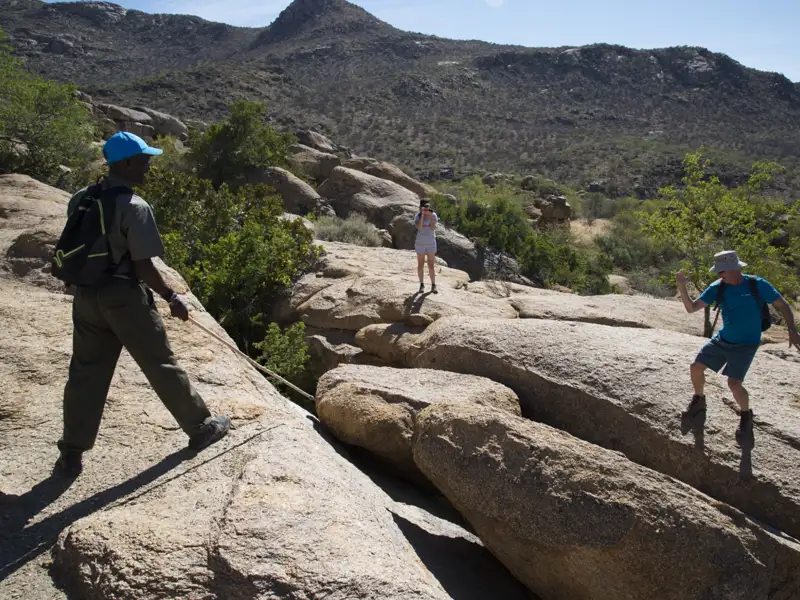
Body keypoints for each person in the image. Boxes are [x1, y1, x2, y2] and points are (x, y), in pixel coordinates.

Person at [54, 132, 230, 477]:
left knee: (85, 374)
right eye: (144, 159)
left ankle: (70, 454)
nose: (149, 165)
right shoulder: (135, 207)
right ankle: (200, 428)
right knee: (160, 363)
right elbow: (143, 265)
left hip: (86, 297)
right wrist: (172, 297)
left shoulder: (81, 198)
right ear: (126, 163)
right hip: (123, 299)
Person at [676, 250, 799, 442]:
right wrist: (682, 288)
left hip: (747, 344)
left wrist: (791, 329)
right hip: (723, 340)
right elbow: (691, 308)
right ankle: (699, 399)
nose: (719, 275)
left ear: (733, 269)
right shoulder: (718, 287)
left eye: (721, 271)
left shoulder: (757, 285)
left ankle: (745, 415)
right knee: (696, 368)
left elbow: (782, 305)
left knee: (734, 384)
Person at [415, 199, 438, 294]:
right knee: (420, 264)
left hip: (430, 243)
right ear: (420, 207)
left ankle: (433, 285)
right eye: (424, 207)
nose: (426, 208)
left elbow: (433, 227)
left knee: (431, 265)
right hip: (420, 243)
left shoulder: (433, 215)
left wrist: (430, 216)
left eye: (427, 207)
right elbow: (419, 228)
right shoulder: (418, 216)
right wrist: (423, 215)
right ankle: (421, 284)